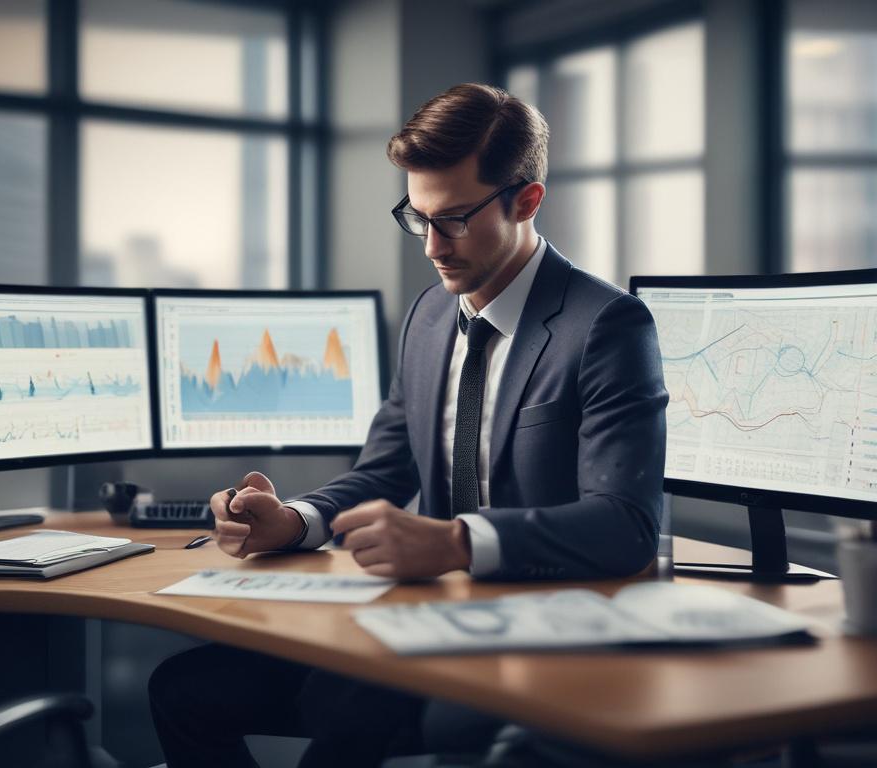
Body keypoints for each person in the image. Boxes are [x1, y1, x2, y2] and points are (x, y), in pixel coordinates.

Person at [148, 82, 668, 768]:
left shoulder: (605, 325)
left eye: (453, 219)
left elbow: (625, 526)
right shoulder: (430, 316)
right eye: (417, 218)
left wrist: (456, 541)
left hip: (537, 636)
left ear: (526, 201)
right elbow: (384, 470)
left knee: (339, 724)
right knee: (183, 692)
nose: (431, 246)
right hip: (426, 621)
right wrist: (296, 521)